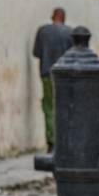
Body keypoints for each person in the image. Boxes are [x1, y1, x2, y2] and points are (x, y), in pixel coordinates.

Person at [32, 8, 73, 151]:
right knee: (64, 107)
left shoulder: (42, 31)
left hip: (47, 74)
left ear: (52, 17)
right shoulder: (69, 33)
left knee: (49, 107)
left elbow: (36, 53)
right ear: (64, 18)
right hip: (64, 77)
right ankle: (64, 140)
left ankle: (51, 142)